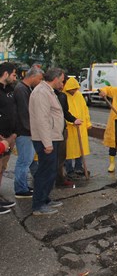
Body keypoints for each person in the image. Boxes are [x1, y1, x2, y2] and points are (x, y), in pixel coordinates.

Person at [29, 68, 66, 215]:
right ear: (55, 78)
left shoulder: (47, 91)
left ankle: (45, 199)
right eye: (62, 80)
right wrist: (47, 143)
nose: (62, 83)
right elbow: (42, 120)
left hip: (52, 137)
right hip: (46, 139)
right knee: (45, 172)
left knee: (50, 171)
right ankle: (38, 205)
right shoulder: (41, 93)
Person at [13, 65, 44, 199]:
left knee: (27, 160)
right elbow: (25, 113)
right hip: (25, 132)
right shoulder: (21, 90)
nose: (40, 81)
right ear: (33, 76)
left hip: (26, 131)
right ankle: (20, 189)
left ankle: (23, 186)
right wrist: (32, 130)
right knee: (24, 161)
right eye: (40, 79)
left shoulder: (25, 89)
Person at [55, 77, 82, 186]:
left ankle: (60, 178)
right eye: (61, 82)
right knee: (54, 157)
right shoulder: (53, 95)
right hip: (53, 130)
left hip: (61, 129)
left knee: (61, 157)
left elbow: (65, 112)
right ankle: (54, 179)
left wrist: (74, 119)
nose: (62, 85)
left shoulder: (62, 96)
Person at [63, 77, 91, 177]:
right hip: (69, 127)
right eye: (72, 89)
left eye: (76, 89)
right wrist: (71, 122)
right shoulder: (63, 96)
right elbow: (63, 113)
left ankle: (78, 167)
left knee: (80, 148)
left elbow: (85, 109)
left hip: (80, 126)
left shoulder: (79, 95)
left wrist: (88, 123)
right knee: (69, 150)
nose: (74, 91)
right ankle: (69, 169)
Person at [0, 62, 18, 214]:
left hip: (10, 137)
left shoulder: (10, 90)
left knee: (2, 169)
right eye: (13, 74)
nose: (15, 77)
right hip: (1, 138)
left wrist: (14, 134)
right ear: (5, 74)